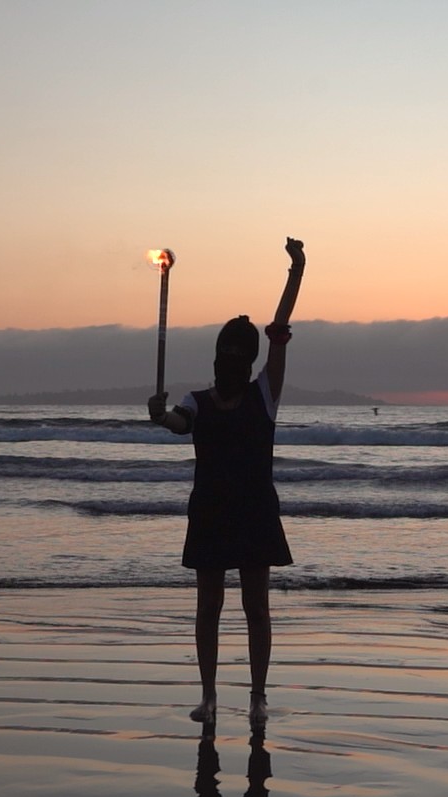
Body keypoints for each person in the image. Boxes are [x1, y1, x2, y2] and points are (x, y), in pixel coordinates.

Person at [149, 237, 305, 723]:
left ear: (248, 358)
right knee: (208, 608)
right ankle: (210, 696)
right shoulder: (197, 401)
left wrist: (296, 271)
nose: (231, 359)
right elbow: (179, 423)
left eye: (239, 352)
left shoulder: (265, 394)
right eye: (226, 351)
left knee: (256, 607)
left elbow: (279, 331)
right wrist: (160, 416)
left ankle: (257, 697)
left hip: (254, 510)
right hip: (212, 511)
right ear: (217, 355)